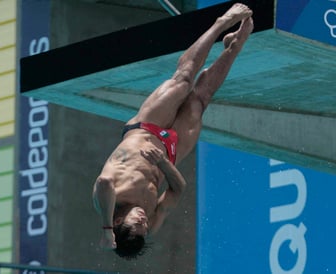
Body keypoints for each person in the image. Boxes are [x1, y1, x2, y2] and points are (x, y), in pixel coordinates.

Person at [92, 3, 254, 259]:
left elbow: (102, 181)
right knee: (200, 99)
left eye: (137, 223)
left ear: (119, 220)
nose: (145, 221)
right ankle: (235, 45)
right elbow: (178, 189)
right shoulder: (152, 221)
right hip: (169, 152)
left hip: (145, 128)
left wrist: (106, 229)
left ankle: (222, 22)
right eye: (144, 227)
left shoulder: (107, 202)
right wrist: (164, 164)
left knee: (184, 78)